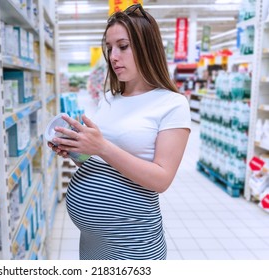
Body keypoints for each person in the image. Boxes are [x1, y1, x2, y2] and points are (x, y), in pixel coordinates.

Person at [48, 4, 191, 260]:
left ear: (147, 47)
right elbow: (98, 159)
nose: (113, 56)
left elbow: (161, 179)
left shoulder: (172, 104)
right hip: (92, 243)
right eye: (109, 47)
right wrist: (76, 150)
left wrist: (102, 146)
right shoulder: (109, 99)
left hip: (133, 245)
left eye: (123, 46)